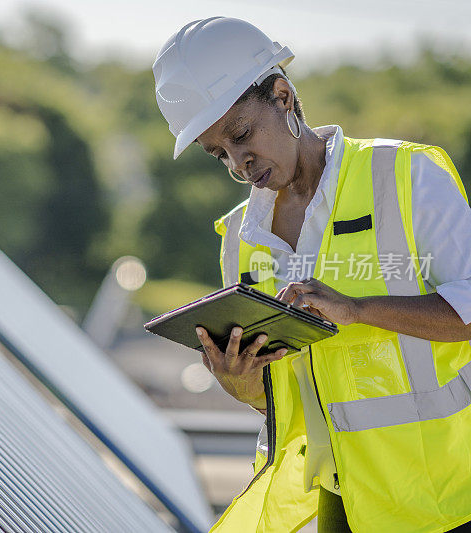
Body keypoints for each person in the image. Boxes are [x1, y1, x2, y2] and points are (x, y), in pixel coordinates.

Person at [152, 17, 471, 533]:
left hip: (446, 500)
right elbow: (287, 397)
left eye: (240, 134)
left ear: (282, 97)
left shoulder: (406, 175)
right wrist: (245, 385)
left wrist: (359, 311)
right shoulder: (241, 237)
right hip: (340, 506)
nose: (238, 163)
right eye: (219, 153)